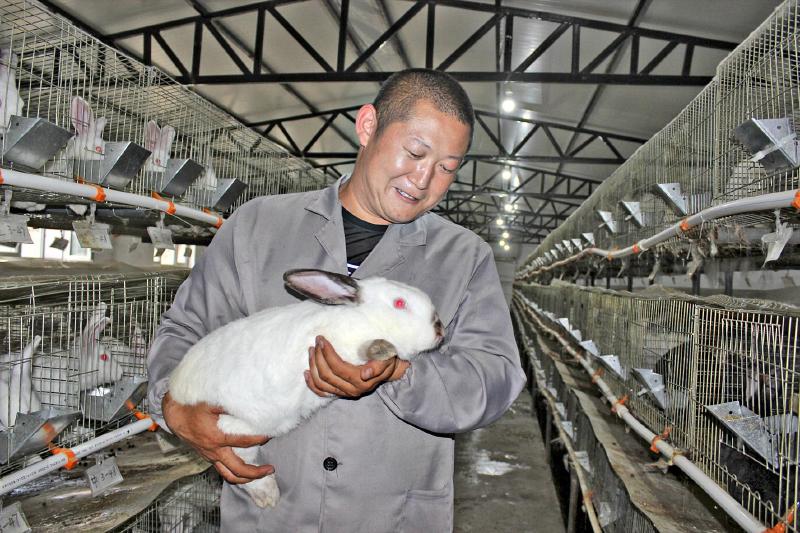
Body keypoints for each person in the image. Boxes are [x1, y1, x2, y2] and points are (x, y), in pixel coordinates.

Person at [147, 68, 526, 532]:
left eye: (447, 167)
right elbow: (184, 331)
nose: (424, 179)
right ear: (368, 127)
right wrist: (174, 408)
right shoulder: (255, 228)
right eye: (415, 152)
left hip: (392, 519)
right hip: (271, 517)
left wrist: (403, 375)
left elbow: (498, 379)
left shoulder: (466, 258)